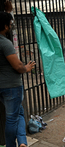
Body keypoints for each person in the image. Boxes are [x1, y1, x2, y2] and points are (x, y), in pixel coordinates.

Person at [0, 12, 36, 147]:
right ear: (4, 26)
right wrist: (26, 68)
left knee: (19, 113)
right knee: (11, 119)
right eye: (9, 25)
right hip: (11, 87)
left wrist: (9, 10)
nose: (11, 27)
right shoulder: (4, 42)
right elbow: (17, 65)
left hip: (2, 86)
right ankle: (11, 145)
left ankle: (22, 142)